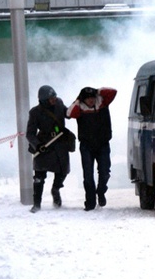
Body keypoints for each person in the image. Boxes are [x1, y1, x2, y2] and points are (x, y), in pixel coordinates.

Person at [67, 86, 117, 211]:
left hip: (103, 144)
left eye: (93, 97)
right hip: (86, 146)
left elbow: (113, 92)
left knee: (105, 172)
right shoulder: (79, 107)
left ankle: (101, 191)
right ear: (83, 99)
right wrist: (78, 100)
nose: (91, 100)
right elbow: (69, 113)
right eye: (88, 98)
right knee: (88, 176)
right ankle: (90, 202)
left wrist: (97, 91)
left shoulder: (103, 102)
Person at [26, 85, 71, 213]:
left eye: (55, 97)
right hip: (44, 145)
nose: (54, 100)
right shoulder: (34, 112)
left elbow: (67, 114)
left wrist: (75, 108)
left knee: (63, 171)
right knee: (39, 176)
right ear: (44, 100)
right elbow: (30, 134)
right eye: (51, 98)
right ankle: (36, 204)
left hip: (60, 143)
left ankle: (56, 189)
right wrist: (38, 145)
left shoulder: (59, 103)